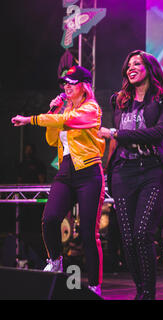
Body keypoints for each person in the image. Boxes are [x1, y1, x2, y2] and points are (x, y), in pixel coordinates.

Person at [11, 65, 106, 295]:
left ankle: (94, 285)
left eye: (72, 83)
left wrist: (30, 119)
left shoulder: (91, 108)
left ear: (84, 85)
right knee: (50, 219)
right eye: (65, 83)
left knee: (87, 234)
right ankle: (55, 260)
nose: (67, 87)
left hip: (89, 171)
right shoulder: (63, 110)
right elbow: (52, 137)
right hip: (66, 170)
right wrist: (53, 110)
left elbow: (68, 121)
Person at [97, 50, 163, 300]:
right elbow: (114, 141)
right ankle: (140, 291)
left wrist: (117, 134)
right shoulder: (119, 100)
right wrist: (105, 165)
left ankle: (148, 295)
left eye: (137, 63)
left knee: (142, 233)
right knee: (128, 239)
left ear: (149, 68)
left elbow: (158, 132)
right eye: (129, 65)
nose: (131, 68)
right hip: (123, 172)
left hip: (152, 171)